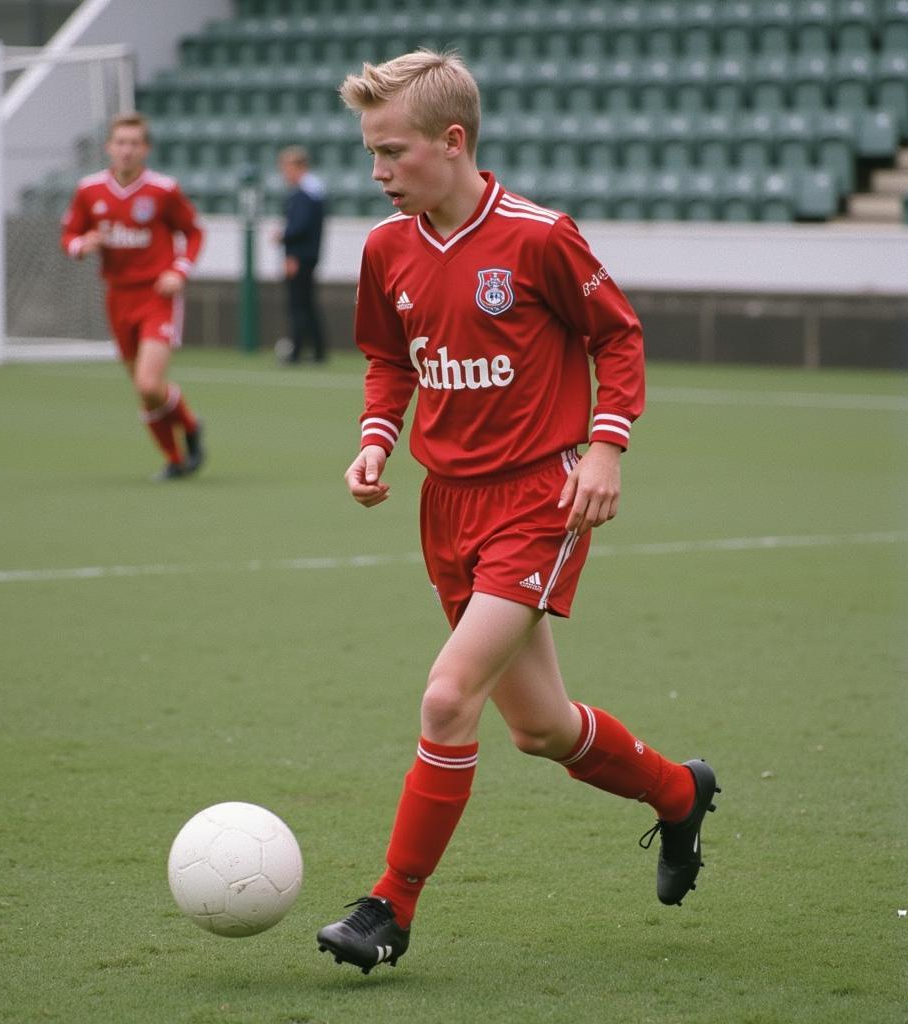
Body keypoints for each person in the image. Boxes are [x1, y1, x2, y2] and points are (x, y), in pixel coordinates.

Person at [316, 51, 720, 975]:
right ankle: (677, 793)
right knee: (540, 728)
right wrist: (377, 437)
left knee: (448, 696)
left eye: (391, 152)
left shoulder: (540, 238)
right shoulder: (388, 249)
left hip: (540, 499)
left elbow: (616, 336)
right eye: (370, 153)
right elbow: (390, 358)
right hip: (445, 506)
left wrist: (608, 447)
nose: (376, 172)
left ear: (451, 143)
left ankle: (389, 907)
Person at [61, 113, 205, 480]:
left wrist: (179, 270)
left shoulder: (163, 190)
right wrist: (82, 245)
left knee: (147, 383)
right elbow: (70, 235)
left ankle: (183, 441)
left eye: (134, 143)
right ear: (109, 147)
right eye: (120, 143)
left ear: (146, 148)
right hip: (118, 297)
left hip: (157, 295)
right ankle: (179, 448)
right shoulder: (89, 190)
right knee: (146, 391)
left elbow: (193, 232)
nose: (126, 150)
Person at [275, 146, 327, 363]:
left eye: (286, 167)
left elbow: (299, 228)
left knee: (298, 305)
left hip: (300, 256)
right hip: (308, 255)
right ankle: (317, 350)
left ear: (299, 167)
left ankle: (296, 351)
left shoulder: (304, 194)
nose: (284, 173)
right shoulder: (314, 191)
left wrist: (284, 238)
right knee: (307, 303)